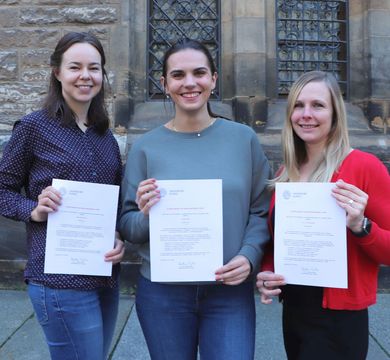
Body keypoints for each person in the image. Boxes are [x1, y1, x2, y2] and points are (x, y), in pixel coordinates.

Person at [119, 38, 271, 360]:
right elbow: (128, 225)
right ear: (164, 83)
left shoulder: (243, 139)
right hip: (163, 294)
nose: (189, 83)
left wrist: (248, 256)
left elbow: (259, 211)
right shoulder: (146, 147)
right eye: (178, 75)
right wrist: (146, 216)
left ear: (213, 79)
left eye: (199, 72)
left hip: (228, 292)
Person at [0, 32, 124, 360]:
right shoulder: (33, 128)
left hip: (104, 276)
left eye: (94, 68)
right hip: (59, 279)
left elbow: (113, 201)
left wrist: (119, 236)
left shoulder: (105, 136)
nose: (86, 76)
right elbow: (2, 190)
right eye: (75, 67)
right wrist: (34, 209)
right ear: (57, 72)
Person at [256, 71, 390, 360]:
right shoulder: (285, 174)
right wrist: (268, 270)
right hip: (294, 311)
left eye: (317, 105)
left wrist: (361, 226)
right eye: (298, 105)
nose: (306, 114)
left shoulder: (364, 167)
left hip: (339, 319)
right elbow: (277, 242)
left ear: (335, 113)